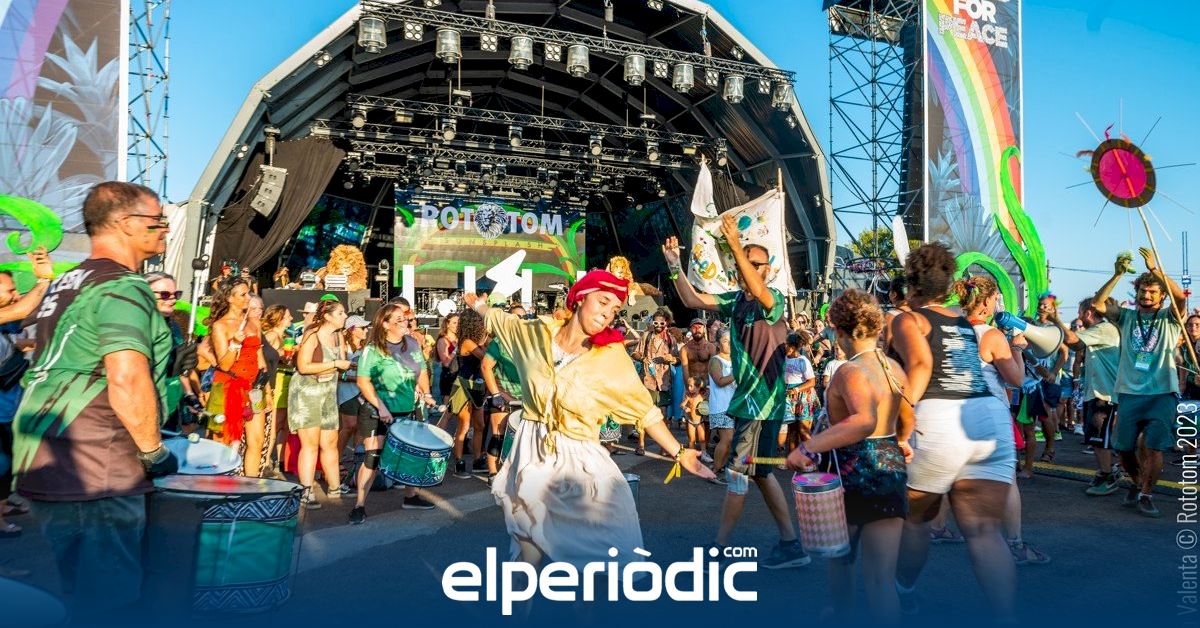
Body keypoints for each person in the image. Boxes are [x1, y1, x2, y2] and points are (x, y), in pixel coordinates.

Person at [464, 270, 713, 570]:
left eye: (615, 310)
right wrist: (477, 304)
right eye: (603, 302)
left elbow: (645, 410)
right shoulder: (534, 333)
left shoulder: (611, 357)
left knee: (604, 549)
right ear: (580, 298)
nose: (608, 314)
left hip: (578, 455)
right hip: (532, 450)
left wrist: (680, 452)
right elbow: (498, 319)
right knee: (527, 544)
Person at [13, 182, 185, 613]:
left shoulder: (68, 281)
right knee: (110, 601)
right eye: (158, 220)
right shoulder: (123, 285)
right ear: (126, 223)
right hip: (97, 462)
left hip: (48, 452)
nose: (164, 229)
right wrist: (153, 453)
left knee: (77, 592)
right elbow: (126, 376)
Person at [664, 213, 810, 569]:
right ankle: (791, 545)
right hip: (750, 404)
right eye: (745, 262)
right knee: (760, 473)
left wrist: (733, 242)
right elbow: (692, 299)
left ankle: (719, 547)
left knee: (737, 474)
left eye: (755, 264)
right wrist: (673, 266)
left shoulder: (773, 299)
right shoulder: (736, 301)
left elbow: (759, 291)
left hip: (762, 404)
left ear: (768, 270)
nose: (747, 268)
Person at [891, 243, 1017, 618]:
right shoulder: (965, 323)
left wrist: (902, 425)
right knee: (985, 532)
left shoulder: (909, 320)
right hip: (988, 418)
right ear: (947, 285)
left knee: (916, 519)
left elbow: (920, 366)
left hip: (939, 418)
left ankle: (904, 593)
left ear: (911, 284)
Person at [785, 290, 912, 622]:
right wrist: (902, 440)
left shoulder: (849, 371)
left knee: (841, 558)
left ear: (839, 331)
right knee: (881, 579)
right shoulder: (894, 368)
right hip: (890, 466)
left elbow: (863, 420)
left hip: (853, 472)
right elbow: (908, 416)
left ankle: (842, 616)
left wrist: (807, 447)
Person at [956, 276, 1050, 566]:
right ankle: (1014, 545)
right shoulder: (991, 336)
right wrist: (1017, 348)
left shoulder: (951, 331)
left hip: (957, 413)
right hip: (989, 414)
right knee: (1006, 480)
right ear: (986, 302)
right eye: (996, 298)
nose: (998, 303)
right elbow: (1017, 379)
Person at [1091, 248, 1186, 518]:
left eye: (1152, 291)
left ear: (1161, 295)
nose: (1146, 295)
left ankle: (1146, 494)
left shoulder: (1170, 318)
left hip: (1161, 393)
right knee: (1123, 449)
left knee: (1154, 447)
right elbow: (1098, 305)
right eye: (1143, 291)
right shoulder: (1127, 317)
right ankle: (1136, 483)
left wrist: (1156, 270)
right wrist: (1116, 275)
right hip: (1129, 393)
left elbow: (1180, 297)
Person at [349, 302, 437, 524]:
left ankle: (411, 497)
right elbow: (363, 381)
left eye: (405, 318)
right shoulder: (373, 349)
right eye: (399, 319)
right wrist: (381, 407)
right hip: (376, 410)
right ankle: (359, 505)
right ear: (386, 324)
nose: (405, 321)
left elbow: (421, 371)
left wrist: (427, 394)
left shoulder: (412, 343)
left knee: (409, 455)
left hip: (406, 408)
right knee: (373, 457)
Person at [1055, 298, 1123, 496]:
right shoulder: (1098, 331)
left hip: (1105, 394)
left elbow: (1073, 342)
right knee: (1095, 438)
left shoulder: (1104, 328)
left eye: (1079, 312)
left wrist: (1055, 319)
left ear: (1088, 313)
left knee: (1100, 439)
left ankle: (1108, 476)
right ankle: (1105, 472)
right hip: (1095, 393)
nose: (1078, 316)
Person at [289, 298, 352, 508]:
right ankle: (306, 491)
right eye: (340, 313)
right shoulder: (312, 335)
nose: (345, 316)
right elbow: (303, 366)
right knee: (310, 444)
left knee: (330, 443)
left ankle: (335, 487)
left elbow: (341, 367)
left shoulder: (338, 335)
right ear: (327, 316)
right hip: (307, 393)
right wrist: (335, 363)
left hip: (328, 393)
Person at [204, 277, 269, 476]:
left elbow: (260, 359)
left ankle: (250, 485)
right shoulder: (220, 326)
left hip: (254, 389)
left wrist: (266, 392)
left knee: (257, 441)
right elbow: (224, 364)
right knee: (224, 442)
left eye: (248, 293)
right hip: (227, 387)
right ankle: (219, 485)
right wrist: (235, 343)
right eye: (243, 294)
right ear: (230, 298)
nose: (248, 297)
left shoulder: (254, 323)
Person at [482, 304, 526, 480]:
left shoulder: (531, 339)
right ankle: (493, 473)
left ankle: (515, 472)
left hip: (526, 396)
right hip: (502, 393)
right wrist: (496, 394)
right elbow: (486, 366)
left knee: (522, 437)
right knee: (498, 435)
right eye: (516, 317)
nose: (520, 320)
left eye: (523, 317)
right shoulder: (499, 341)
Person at [1024, 294, 1069, 464]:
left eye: (1046, 305)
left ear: (1053, 308)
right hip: (1030, 378)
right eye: (1040, 305)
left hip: (1048, 379)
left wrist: (1054, 372)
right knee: (1028, 414)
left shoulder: (1055, 328)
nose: (1042, 308)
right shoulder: (1032, 324)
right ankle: (1025, 446)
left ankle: (1050, 448)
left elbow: (1064, 352)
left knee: (1045, 413)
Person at [444, 309, 488, 478]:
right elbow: (484, 357)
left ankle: (477, 460)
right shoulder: (468, 341)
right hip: (463, 384)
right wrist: (484, 342)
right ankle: (459, 462)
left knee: (479, 425)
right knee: (463, 425)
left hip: (476, 384)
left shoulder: (472, 341)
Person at [631, 310, 679, 455]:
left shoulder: (671, 339)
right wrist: (642, 358)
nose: (658, 325)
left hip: (664, 381)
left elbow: (678, 360)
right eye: (655, 322)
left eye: (661, 323)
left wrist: (672, 359)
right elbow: (635, 353)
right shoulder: (646, 336)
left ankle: (664, 447)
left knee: (663, 415)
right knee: (645, 412)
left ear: (666, 323)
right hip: (648, 380)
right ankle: (641, 444)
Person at [262, 304, 294, 477]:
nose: (291, 319)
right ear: (279, 319)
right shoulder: (272, 335)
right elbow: (265, 358)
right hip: (277, 382)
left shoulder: (285, 336)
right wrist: (281, 353)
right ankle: (265, 461)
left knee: (283, 425)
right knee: (274, 424)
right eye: (288, 316)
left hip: (286, 380)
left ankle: (280, 461)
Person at [337, 315, 369, 468]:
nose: (366, 330)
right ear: (353, 330)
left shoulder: (366, 348)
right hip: (347, 392)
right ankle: (335, 459)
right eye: (363, 328)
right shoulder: (343, 348)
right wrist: (355, 378)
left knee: (361, 427)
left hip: (363, 392)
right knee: (349, 426)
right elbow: (336, 373)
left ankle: (357, 462)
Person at [708, 329, 736, 483]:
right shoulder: (715, 360)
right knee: (727, 439)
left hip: (734, 406)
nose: (730, 344)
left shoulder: (736, 360)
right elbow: (719, 381)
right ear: (718, 344)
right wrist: (737, 373)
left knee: (730, 440)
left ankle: (720, 468)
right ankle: (713, 471)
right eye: (725, 341)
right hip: (721, 406)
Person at [435, 312, 460, 403]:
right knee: (447, 405)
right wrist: (455, 350)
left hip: (459, 375)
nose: (457, 325)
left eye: (459, 323)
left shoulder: (460, 339)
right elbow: (445, 363)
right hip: (448, 376)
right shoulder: (442, 340)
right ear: (447, 324)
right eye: (454, 323)